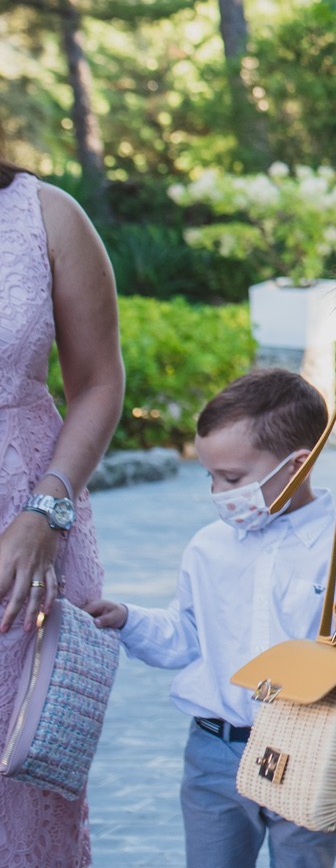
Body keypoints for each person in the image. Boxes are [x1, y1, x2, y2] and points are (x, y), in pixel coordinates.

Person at [81, 370, 336, 868]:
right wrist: (127, 619)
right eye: (210, 476)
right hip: (215, 752)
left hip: (307, 752)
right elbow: (187, 637)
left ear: (296, 465)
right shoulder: (208, 548)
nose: (217, 492)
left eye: (231, 479)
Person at [0, 145, 122, 868]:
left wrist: (47, 511)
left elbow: (100, 381)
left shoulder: (43, 215)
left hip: (28, 524)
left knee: (25, 774)